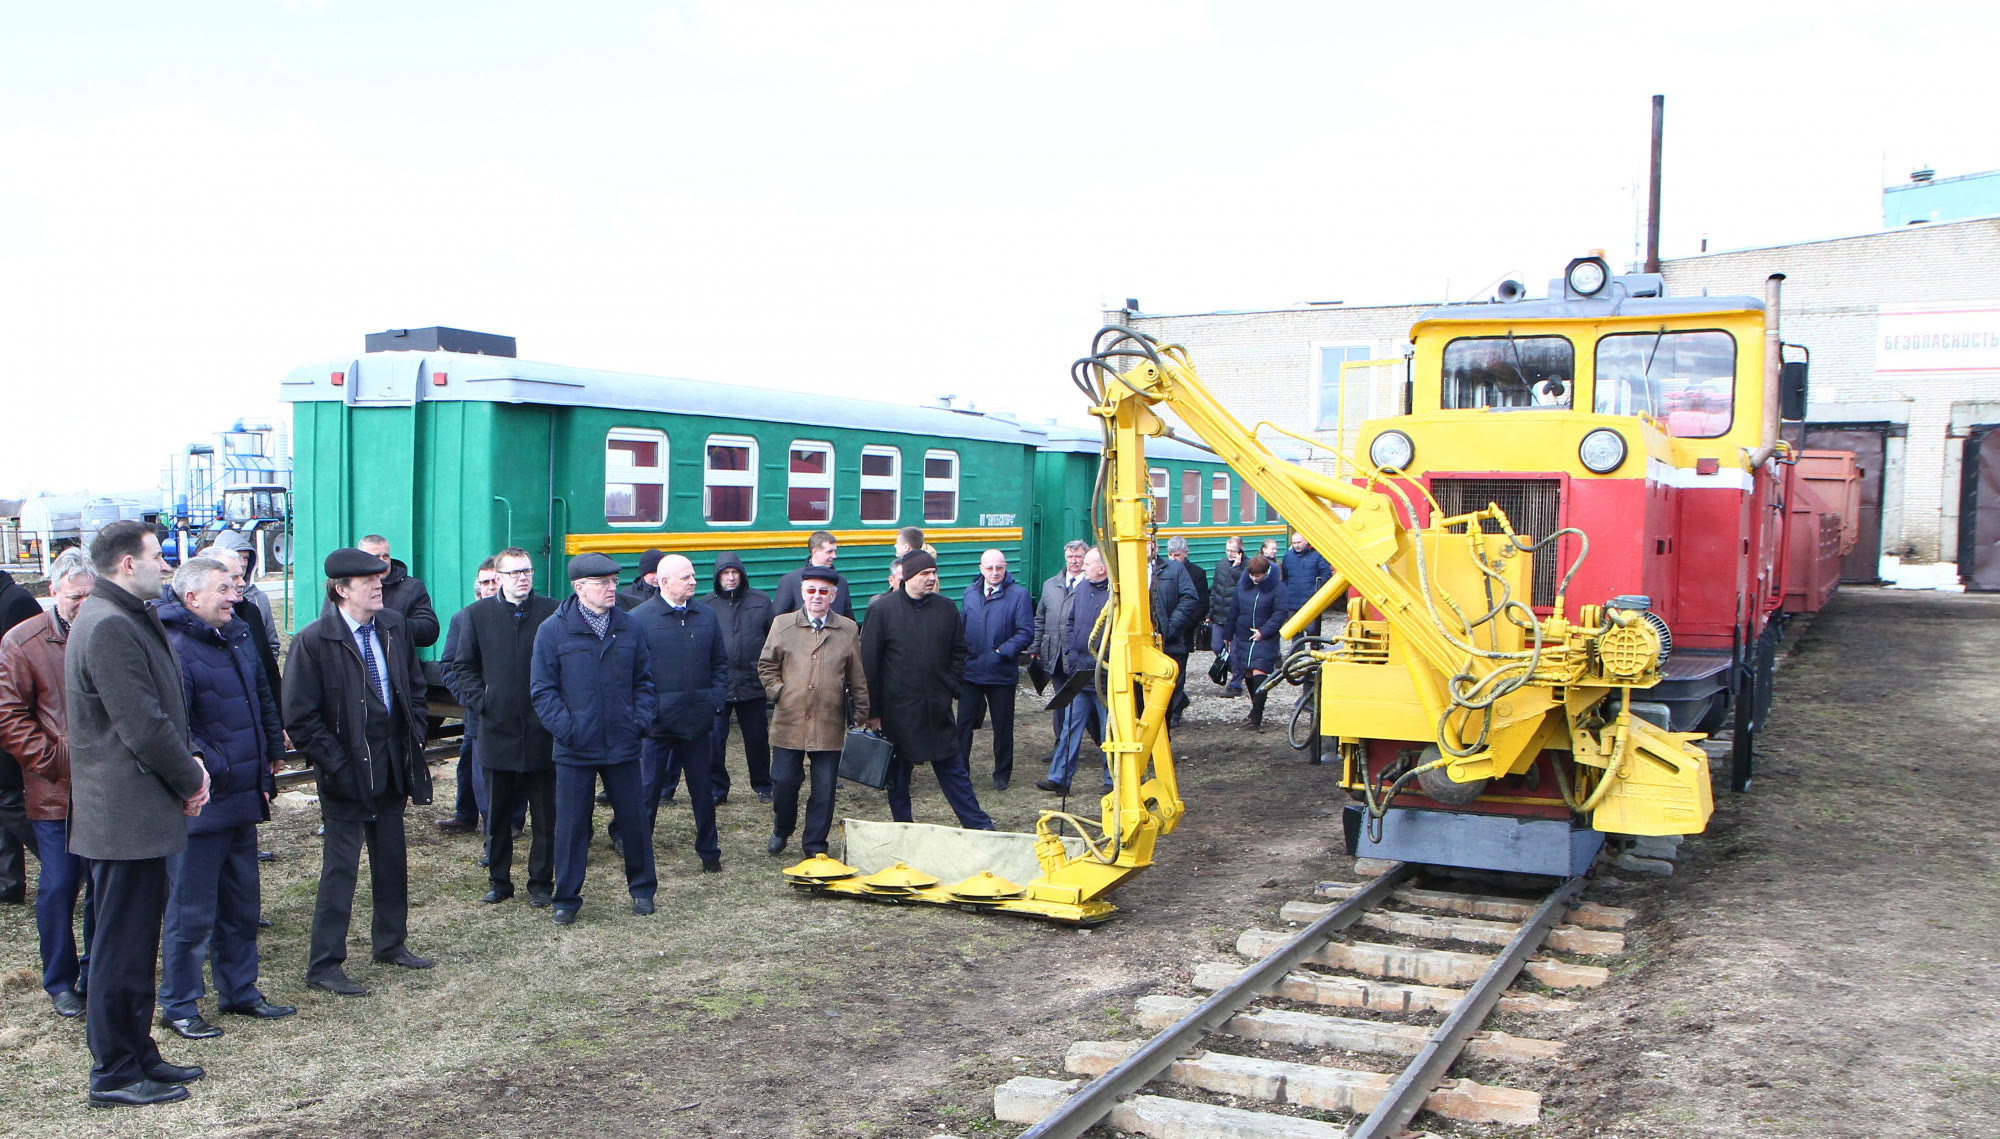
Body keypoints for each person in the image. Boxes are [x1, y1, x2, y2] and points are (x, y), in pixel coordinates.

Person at [64, 520, 210, 1107]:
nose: (167, 565)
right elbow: (142, 724)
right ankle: (115, 1074)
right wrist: (191, 774)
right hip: (122, 819)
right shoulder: (107, 625)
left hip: (136, 814)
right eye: (159, 556)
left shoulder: (122, 615)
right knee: (120, 948)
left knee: (133, 941)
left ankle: (137, 1050)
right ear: (128, 563)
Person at [284, 548, 436, 996]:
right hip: (346, 772)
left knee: (391, 860)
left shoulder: (392, 628)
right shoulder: (314, 641)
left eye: (381, 580)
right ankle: (325, 964)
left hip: (392, 764)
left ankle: (391, 943)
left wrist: (416, 735)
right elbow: (299, 717)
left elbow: (413, 686)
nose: (379, 587)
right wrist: (336, 763)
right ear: (341, 589)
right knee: (341, 869)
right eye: (369, 582)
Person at [156, 558, 292, 1038]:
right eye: (223, 589)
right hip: (204, 799)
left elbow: (260, 695)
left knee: (240, 903)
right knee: (191, 912)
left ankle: (240, 991)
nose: (235, 596)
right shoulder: (173, 647)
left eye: (235, 586)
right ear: (191, 598)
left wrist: (273, 750)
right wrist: (212, 767)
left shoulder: (234, 634)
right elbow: (178, 728)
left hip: (243, 793)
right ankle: (179, 1004)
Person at [530, 553, 657, 925]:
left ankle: (643, 890)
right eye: (603, 583)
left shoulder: (630, 627)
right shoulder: (553, 630)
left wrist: (638, 722)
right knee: (570, 826)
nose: (612, 588)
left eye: (614, 582)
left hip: (623, 743)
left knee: (634, 821)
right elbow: (542, 689)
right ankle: (566, 899)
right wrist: (568, 730)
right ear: (580, 588)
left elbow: (645, 682)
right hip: (574, 748)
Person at [0, 550, 94, 1017]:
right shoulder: (24, 641)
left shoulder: (108, 630)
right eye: (75, 596)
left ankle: (97, 968)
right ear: (52, 592)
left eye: (90, 595)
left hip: (109, 788)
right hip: (55, 790)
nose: (83, 603)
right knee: (59, 885)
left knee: (104, 883)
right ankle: (60, 980)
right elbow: (11, 715)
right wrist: (56, 762)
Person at [442, 548, 559, 907]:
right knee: (496, 815)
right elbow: (462, 667)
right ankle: (499, 881)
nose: (522, 578)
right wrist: (483, 701)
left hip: (542, 730)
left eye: (527, 571)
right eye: (514, 573)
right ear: (499, 577)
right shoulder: (476, 616)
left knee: (545, 815)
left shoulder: (553, 612)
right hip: (496, 729)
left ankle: (541, 882)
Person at [860, 551, 993, 830]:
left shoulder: (945, 609)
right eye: (924, 573)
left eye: (934, 572)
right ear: (908, 577)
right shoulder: (882, 610)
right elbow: (869, 663)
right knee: (898, 776)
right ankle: (904, 828)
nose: (932, 578)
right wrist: (873, 712)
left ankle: (978, 825)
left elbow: (959, 651)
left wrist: (950, 687)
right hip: (897, 713)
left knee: (953, 770)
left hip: (936, 709)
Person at [759, 567, 870, 858]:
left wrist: (861, 713)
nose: (817, 597)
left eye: (823, 591)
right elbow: (766, 666)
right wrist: (780, 692)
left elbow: (857, 677)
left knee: (824, 789)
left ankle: (814, 844)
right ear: (802, 593)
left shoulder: (847, 629)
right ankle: (782, 829)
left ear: (833, 595)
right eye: (811, 590)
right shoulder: (782, 625)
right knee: (783, 782)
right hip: (789, 720)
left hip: (829, 721)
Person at [630, 554, 727, 873]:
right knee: (647, 793)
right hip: (656, 727)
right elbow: (632, 672)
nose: (694, 581)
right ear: (664, 581)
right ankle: (640, 854)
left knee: (703, 791)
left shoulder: (707, 616)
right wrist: (649, 710)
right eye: (686, 577)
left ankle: (709, 852)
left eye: (693, 576)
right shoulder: (640, 619)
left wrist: (713, 699)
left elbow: (719, 663)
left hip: (697, 723)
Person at [954, 548, 1034, 791]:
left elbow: (1026, 632)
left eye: (999, 567)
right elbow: (962, 626)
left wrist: (1002, 652)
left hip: (1001, 673)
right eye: (989, 568)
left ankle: (1002, 773)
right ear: (981, 569)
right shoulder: (970, 593)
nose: (994, 573)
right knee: (964, 725)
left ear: (1005, 567)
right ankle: (959, 772)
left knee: (1002, 726)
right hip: (971, 672)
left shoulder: (1019, 596)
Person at [436, 558, 501, 836]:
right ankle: (467, 816)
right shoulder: (463, 619)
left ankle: (510, 821)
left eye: (494, 581)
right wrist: (468, 698)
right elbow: (449, 664)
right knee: (470, 762)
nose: (490, 587)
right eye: (484, 582)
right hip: (478, 707)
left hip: (511, 708)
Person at [1040, 547, 1112, 795]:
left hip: (1105, 676)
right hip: (1080, 673)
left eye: (1088, 563)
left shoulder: (1115, 595)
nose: (1082, 567)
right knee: (1070, 725)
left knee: (1109, 732)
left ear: (1101, 568)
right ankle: (1059, 777)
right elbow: (1070, 622)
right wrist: (1071, 650)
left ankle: (1112, 780)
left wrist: (1106, 657)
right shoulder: (1081, 588)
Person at [708, 552, 774, 805]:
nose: (731, 577)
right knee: (715, 740)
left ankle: (763, 785)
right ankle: (717, 788)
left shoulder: (761, 601)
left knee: (757, 739)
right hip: (720, 684)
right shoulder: (708, 605)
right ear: (718, 577)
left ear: (742, 574)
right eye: (725, 573)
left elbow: (773, 639)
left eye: (735, 572)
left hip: (752, 681)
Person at [0, 565, 43, 905]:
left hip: (11, 717)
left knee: (10, 797)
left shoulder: (15, 601)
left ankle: (70, 865)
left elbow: (33, 662)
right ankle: (7, 882)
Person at [1031, 540, 1087, 769]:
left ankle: (1080, 744)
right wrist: (1035, 648)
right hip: (1055, 655)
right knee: (1060, 703)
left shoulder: (1091, 587)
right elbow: (1040, 619)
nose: (1074, 561)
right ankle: (1060, 745)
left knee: (1082, 704)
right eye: (1071, 557)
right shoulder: (1050, 585)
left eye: (1079, 557)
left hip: (1079, 656)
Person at [1221, 555, 1292, 731]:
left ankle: (1257, 714)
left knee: (1259, 670)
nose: (1254, 579)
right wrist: (1228, 633)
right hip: (1244, 634)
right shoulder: (1242, 586)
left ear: (1266, 573)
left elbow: (1280, 613)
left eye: (1258, 576)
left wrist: (1264, 631)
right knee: (1248, 672)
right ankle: (1255, 709)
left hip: (1265, 637)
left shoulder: (1277, 588)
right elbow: (1234, 609)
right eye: (1252, 575)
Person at [1153, 538, 1204, 730]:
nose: (1174, 558)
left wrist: (1173, 626)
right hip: (1154, 637)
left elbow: (1195, 602)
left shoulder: (1185, 572)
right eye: (1171, 554)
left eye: (1177, 555)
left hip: (1177, 635)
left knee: (1174, 676)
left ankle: (1173, 712)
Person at [357, 534, 440, 648]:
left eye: (386, 556)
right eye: (376, 557)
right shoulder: (346, 587)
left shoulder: (412, 587)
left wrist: (391, 624)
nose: (383, 562)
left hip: (396, 660)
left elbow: (429, 631)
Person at [773, 530, 853, 620]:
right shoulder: (790, 581)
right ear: (814, 552)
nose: (834, 556)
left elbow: (848, 618)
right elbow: (778, 620)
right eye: (829, 551)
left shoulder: (841, 582)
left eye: (834, 551)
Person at [1279, 531, 1333, 651]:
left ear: (1306, 541)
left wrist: (1316, 590)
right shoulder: (1288, 556)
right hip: (1292, 600)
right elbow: (1285, 576)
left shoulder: (1318, 555)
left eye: (1299, 542)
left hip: (1311, 601)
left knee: (1312, 633)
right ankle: (1297, 659)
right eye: (1294, 543)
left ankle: (1313, 656)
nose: (1296, 545)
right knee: (1296, 633)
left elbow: (1326, 575)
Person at [1211, 537, 1246, 694]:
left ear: (1240, 550)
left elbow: (1245, 587)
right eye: (1228, 550)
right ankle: (1239, 671)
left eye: (1233, 550)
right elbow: (1215, 589)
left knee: (1236, 651)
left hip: (1237, 616)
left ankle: (1236, 684)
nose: (1230, 554)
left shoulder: (1247, 566)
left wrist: (1236, 568)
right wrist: (1210, 612)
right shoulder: (1220, 564)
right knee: (1216, 645)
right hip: (1220, 614)